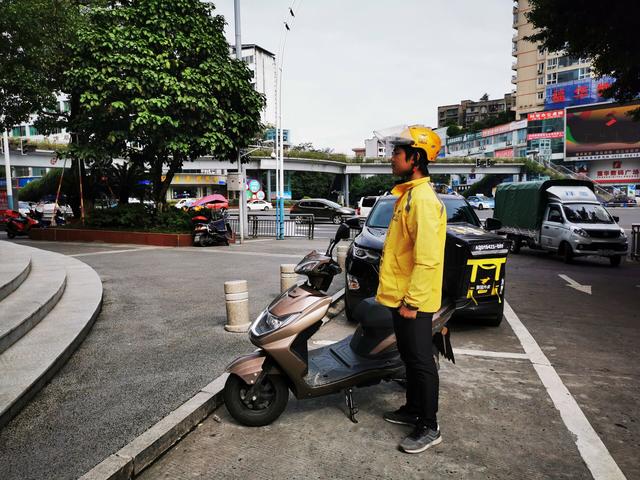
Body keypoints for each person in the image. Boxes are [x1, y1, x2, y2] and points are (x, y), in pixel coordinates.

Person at [374, 125, 446, 454]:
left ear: (414, 158)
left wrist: (413, 302)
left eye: (397, 154)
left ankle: (429, 425)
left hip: (413, 300)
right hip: (402, 296)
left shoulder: (424, 201)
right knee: (408, 356)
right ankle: (413, 409)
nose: (392, 158)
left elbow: (428, 258)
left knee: (420, 361)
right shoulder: (409, 195)